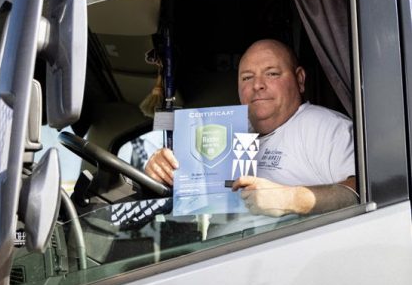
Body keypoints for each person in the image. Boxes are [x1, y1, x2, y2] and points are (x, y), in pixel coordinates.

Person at [145, 39, 358, 217]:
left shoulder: (326, 128)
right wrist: (162, 171)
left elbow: (366, 189)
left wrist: (292, 198)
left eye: (272, 73)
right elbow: (196, 192)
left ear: (299, 79)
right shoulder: (229, 133)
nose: (257, 85)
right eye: (247, 77)